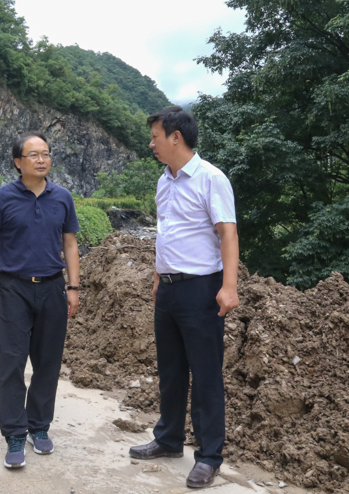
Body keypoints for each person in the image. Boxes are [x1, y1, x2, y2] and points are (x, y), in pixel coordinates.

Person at [128, 107, 239, 489]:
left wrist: (229, 286)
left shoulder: (211, 178)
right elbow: (167, 233)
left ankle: (208, 457)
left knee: (205, 374)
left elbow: (227, 233)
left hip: (201, 289)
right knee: (171, 370)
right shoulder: (165, 181)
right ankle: (169, 438)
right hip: (169, 289)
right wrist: (158, 277)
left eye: (155, 136)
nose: (151, 144)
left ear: (176, 137)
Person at [0, 131, 80, 469]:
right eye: (34, 154)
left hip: (52, 287)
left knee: (48, 362)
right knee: (11, 362)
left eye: (46, 153)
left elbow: (70, 244)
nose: (41, 160)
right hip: (14, 289)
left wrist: (73, 287)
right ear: (18, 162)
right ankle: (14, 433)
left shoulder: (62, 197)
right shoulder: (1, 197)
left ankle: (39, 426)